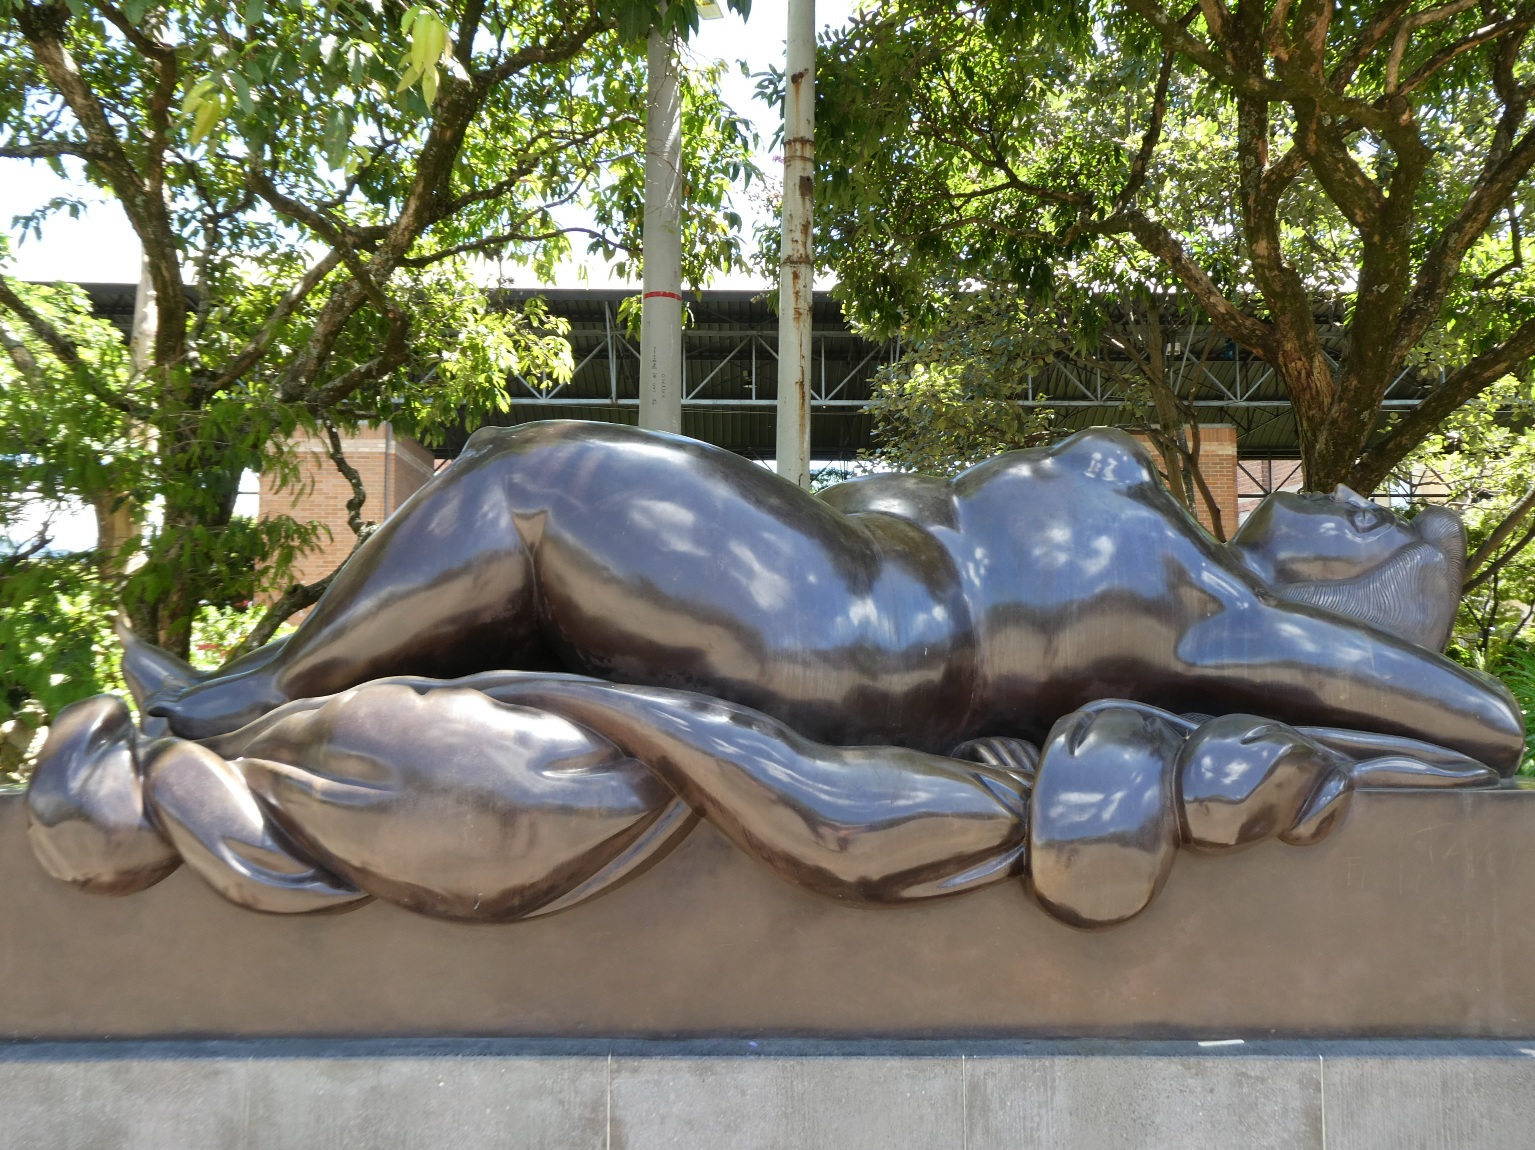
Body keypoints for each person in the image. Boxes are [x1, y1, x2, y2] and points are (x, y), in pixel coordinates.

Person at [146, 421, 1523, 772]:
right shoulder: (1172, 542)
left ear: (1346, 593)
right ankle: (271, 686)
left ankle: (241, 703)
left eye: (1376, 523)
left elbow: (1486, 725)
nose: (1347, 495)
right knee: (522, 474)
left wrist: (1370, 670)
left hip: (860, 636)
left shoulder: (1209, 608)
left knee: (532, 484)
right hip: (830, 576)